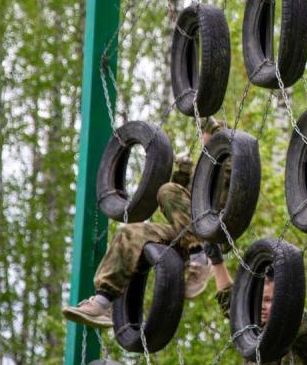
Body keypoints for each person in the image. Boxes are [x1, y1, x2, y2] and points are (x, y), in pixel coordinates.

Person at [62, 118, 227, 328]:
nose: (204, 145)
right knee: (129, 232)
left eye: (209, 140)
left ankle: (201, 256)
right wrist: (184, 172)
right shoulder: (202, 170)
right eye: (204, 140)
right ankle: (102, 303)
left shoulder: (231, 161)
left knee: (167, 191)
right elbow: (177, 205)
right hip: (187, 232)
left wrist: (214, 127)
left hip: (214, 231)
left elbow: (228, 173)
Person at [205, 243, 307, 365]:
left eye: (268, 300)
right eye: (258, 300)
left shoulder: (301, 323)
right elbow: (231, 302)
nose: (262, 307)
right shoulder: (251, 332)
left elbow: (289, 316)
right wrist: (217, 261)